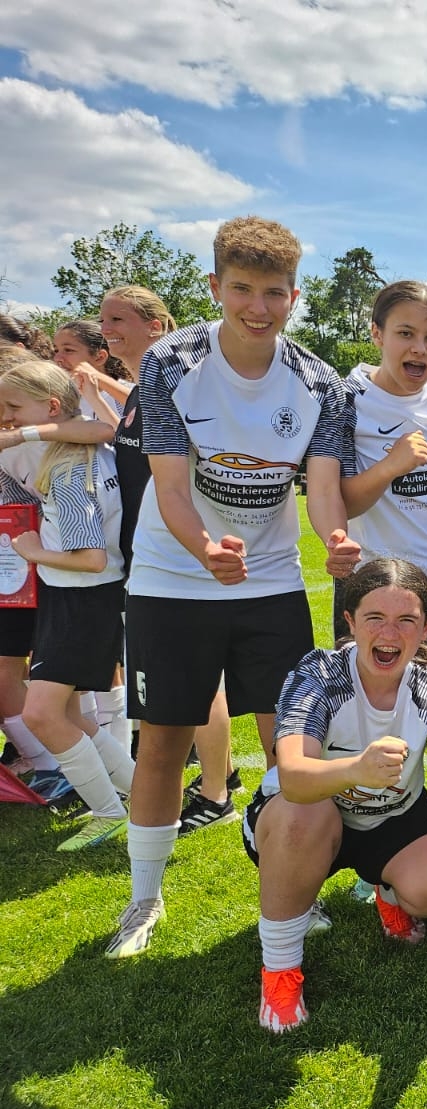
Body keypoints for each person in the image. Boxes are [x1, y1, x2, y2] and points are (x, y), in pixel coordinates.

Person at [106, 215, 361, 959]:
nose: (258, 306)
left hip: (271, 583)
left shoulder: (320, 381)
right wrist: (204, 548)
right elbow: (168, 485)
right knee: (163, 744)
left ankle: (292, 887)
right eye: (243, 289)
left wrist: (335, 538)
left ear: (295, 297)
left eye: (274, 293)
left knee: (291, 744)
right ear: (215, 287)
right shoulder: (169, 362)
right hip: (172, 578)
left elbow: (321, 489)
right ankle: (143, 899)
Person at [243, 557, 427, 1031]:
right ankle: (280, 971)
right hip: (304, 818)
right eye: (374, 617)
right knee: (306, 815)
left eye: (406, 620)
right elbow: (292, 776)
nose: (389, 634)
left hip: (391, 815)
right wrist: (357, 769)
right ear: (350, 621)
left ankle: (387, 887)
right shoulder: (321, 674)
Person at [92, 286, 241, 832]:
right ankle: (220, 777)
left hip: (182, 558)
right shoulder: (140, 391)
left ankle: (217, 792)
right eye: (103, 319)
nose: (106, 329)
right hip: (149, 557)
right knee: (194, 679)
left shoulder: (177, 384)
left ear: (156, 326)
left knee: (201, 679)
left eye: (118, 319)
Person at [0, 361, 131, 849]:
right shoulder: (77, 450)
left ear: (52, 407)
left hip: (81, 599)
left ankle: (109, 812)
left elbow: (92, 559)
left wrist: (34, 552)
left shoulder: (68, 469)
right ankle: (141, 793)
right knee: (70, 716)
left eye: (13, 407)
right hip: (78, 598)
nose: (7, 417)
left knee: (42, 715)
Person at [338, 280, 427, 639]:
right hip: (377, 595)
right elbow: (341, 505)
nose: (420, 348)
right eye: (405, 333)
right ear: (377, 333)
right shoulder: (346, 399)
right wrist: (390, 467)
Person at [51, 320, 129, 424]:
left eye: (68, 350)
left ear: (100, 357)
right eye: (56, 350)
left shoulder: (128, 396)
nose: (57, 358)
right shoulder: (60, 400)